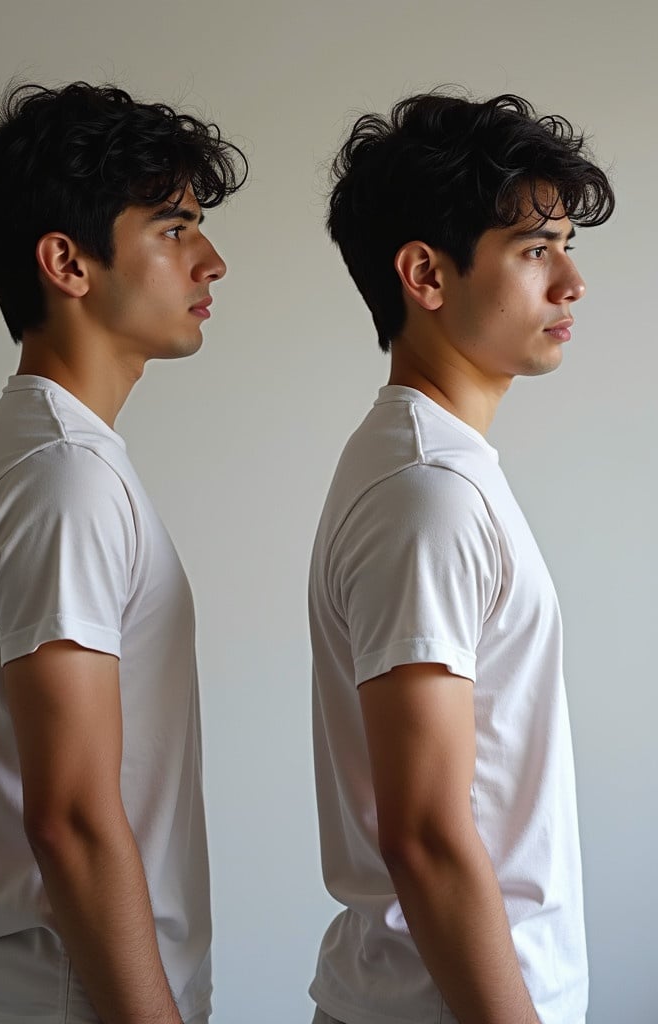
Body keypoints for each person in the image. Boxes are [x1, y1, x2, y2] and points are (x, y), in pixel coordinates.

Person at [0, 81, 246, 1024]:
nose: (212, 260)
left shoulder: (49, 449)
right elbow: (69, 820)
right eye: (173, 228)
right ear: (67, 262)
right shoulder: (61, 475)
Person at [308, 91, 614, 1024]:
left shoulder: (438, 469)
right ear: (426, 276)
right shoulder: (427, 494)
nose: (571, 283)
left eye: (567, 246)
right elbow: (427, 834)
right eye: (534, 251)